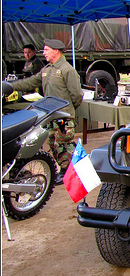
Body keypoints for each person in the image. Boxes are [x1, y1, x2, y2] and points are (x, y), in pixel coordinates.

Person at [10, 39, 83, 185]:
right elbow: (30, 82)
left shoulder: (67, 69)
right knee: (52, 143)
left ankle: (67, 172)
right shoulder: (47, 69)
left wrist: (68, 111)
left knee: (63, 144)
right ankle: (65, 168)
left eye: (46, 50)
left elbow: (77, 95)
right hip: (51, 115)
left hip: (63, 116)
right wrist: (10, 86)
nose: (44, 53)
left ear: (56, 51)